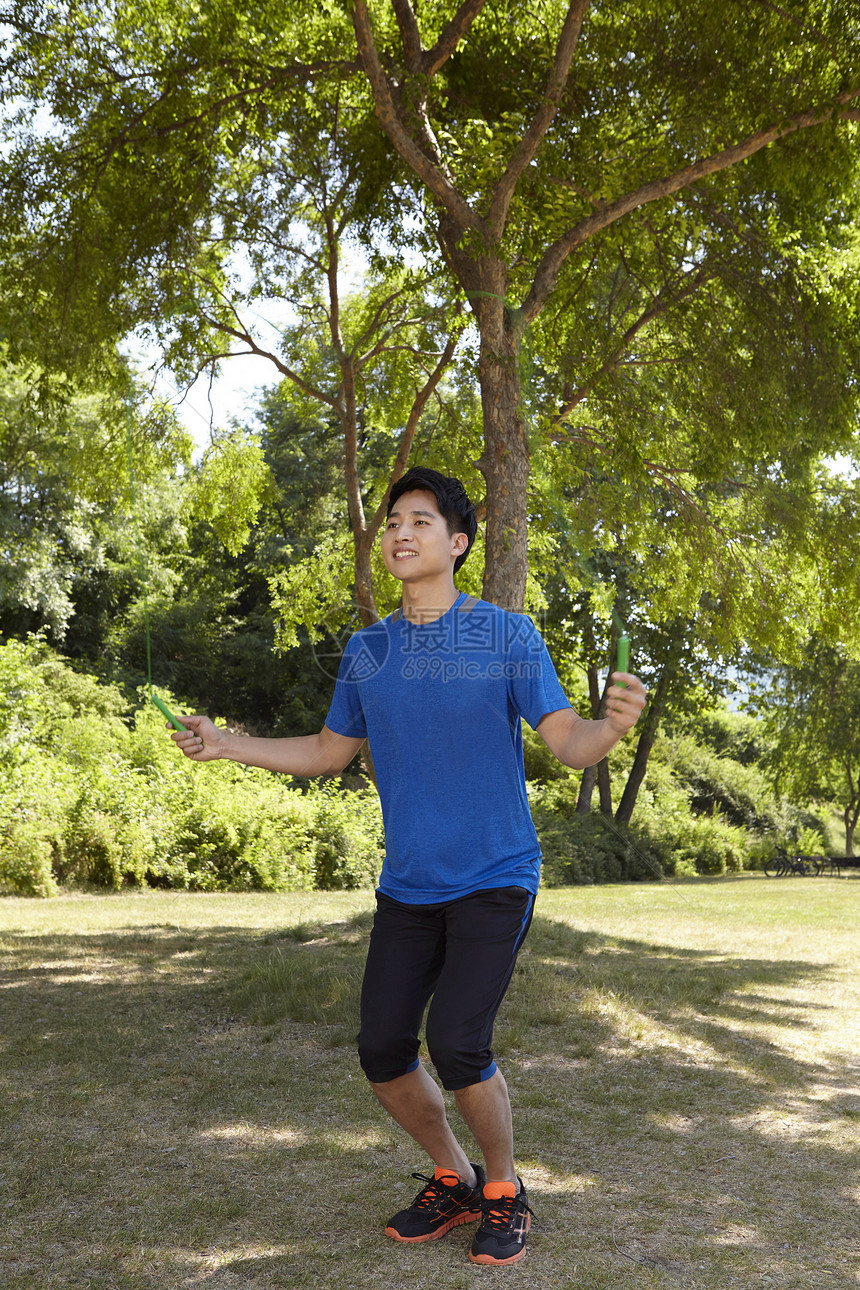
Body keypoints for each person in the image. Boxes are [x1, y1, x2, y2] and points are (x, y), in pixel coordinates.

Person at [171, 466, 647, 1266]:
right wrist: (226, 745)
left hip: (496, 872)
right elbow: (327, 753)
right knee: (382, 1049)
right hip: (409, 885)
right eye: (393, 520)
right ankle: (454, 1179)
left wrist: (612, 728)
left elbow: (566, 742)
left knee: (459, 1043)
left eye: (421, 521)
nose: (400, 531)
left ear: (457, 544)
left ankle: (504, 1188)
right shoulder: (366, 652)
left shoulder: (505, 635)